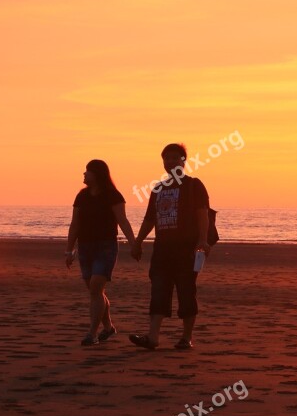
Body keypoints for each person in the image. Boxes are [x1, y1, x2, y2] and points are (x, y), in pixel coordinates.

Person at [129, 143, 210, 350]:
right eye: (167, 158)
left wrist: (202, 240)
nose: (171, 162)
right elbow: (150, 219)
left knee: (186, 292)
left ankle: (186, 338)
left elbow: (203, 214)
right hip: (162, 250)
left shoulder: (194, 185)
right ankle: (153, 337)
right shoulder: (158, 188)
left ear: (184, 161)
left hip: (187, 249)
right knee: (158, 292)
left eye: (176, 158)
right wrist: (138, 242)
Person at [66, 160, 137, 346]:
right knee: (95, 291)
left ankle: (92, 333)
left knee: (96, 288)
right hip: (85, 247)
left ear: (97, 174)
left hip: (106, 246)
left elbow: (123, 221)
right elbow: (75, 224)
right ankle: (108, 328)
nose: (84, 174)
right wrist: (69, 249)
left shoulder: (112, 195)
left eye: (87, 171)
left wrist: (134, 244)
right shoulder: (82, 196)